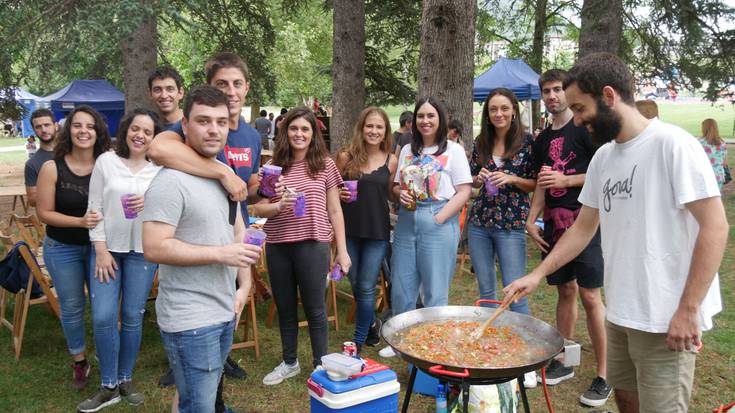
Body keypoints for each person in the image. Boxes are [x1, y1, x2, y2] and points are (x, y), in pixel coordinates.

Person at [504, 53, 727, 413]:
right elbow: (583, 228)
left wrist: (688, 309)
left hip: (664, 316)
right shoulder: (605, 157)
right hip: (621, 311)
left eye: (580, 108)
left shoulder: (673, 145)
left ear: (608, 97)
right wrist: (538, 273)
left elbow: (715, 227)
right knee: (626, 400)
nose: (576, 119)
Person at [143, 86, 259, 413]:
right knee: (200, 405)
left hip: (222, 308)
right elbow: (154, 247)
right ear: (184, 123)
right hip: (191, 319)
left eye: (221, 122)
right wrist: (221, 254)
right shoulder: (171, 181)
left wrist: (244, 286)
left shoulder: (220, 174)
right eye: (204, 121)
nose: (213, 129)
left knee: (193, 398)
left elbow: (236, 230)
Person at [526, 69, 610, 406]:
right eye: (546, 91)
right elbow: (541, 182)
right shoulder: (543, 139)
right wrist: (531, 220)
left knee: (590, 297)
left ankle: (605, 374)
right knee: (565, 291)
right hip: (554, 225)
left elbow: (603, 172)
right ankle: (564, 359)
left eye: (558, 89)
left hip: (587, 222)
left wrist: (567, 180)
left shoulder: (585, 129)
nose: (552, 96)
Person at [253, 107, 351, 385]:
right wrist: (276, 203)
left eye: (305, 129)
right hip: (278, 244)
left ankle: (320, 366)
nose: (299, 134)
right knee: (285, 307)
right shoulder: (274, 166)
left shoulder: (325, 164)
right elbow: (260, 208)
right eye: (293, 128)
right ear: (285, 132)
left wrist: (342, 251)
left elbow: (335, 211)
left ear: (313, 134)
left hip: (313, 243)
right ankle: (289, 362)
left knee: (315, 309)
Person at [77, 109, 163, 412]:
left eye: (147, 132)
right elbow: (94, 207)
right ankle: (108, 385)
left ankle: (125, 378)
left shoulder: (160, 169)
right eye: (135, 129)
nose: (140, 135)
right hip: (107, 250)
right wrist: (99, 249)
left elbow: (169, 213)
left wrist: (150, 202)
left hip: (142, 251)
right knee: (102, 316)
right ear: (126, 130)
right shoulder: (107, 162)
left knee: (132, 315)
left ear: (154, 138)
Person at [380, 97, 472, 358]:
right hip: (407, 221)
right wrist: (400, 194)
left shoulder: (452, 151)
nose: (425, 121)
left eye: (431, 115)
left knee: (434, 288)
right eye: (421, 116)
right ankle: (402, 341)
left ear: (440, 119)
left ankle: (434, 343)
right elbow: (397, 186)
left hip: (438, 220)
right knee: (402, 285)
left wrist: (440, 218)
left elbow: (464, 190)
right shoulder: (408, 149)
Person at [36, 105, 112, 389]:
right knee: (71, 306)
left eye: (90, 126)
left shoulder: (109, 164)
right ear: (68, 130)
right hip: (62, 247)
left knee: (103, 307)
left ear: (98, 132)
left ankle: (109, 359)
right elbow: (45, 212)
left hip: (100, 249)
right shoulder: (51, 167)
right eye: (78, 125)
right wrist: (80, 222)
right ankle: (80, 360)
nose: (84, 131)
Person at [335, 107, 397, 353]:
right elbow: (333, 193)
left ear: (385, 132)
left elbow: (392, 192)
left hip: (377, 231)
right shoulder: (345, 157)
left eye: (379, 127)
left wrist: (406, 193)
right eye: (369, 126)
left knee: (367, 285)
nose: (373, 131)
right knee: (355, 282)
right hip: (348, 231)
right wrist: (338, 193)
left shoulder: (391, 159)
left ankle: (358, 341)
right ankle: (371, 322)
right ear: (361, 128)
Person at [24, 108, 57, 207]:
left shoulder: (72, 152)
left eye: (47, 125)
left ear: (55, 126)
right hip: (55, 219)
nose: (43, 130)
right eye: (38, 127)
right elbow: (33, 200)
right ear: (34, 130)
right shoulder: (32, 164)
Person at [698, 118, 728, 190]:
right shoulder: (722, 143)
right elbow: (724, 163)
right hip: (718, 176)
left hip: (704, 176)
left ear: (704, 129)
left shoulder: (699, 142)